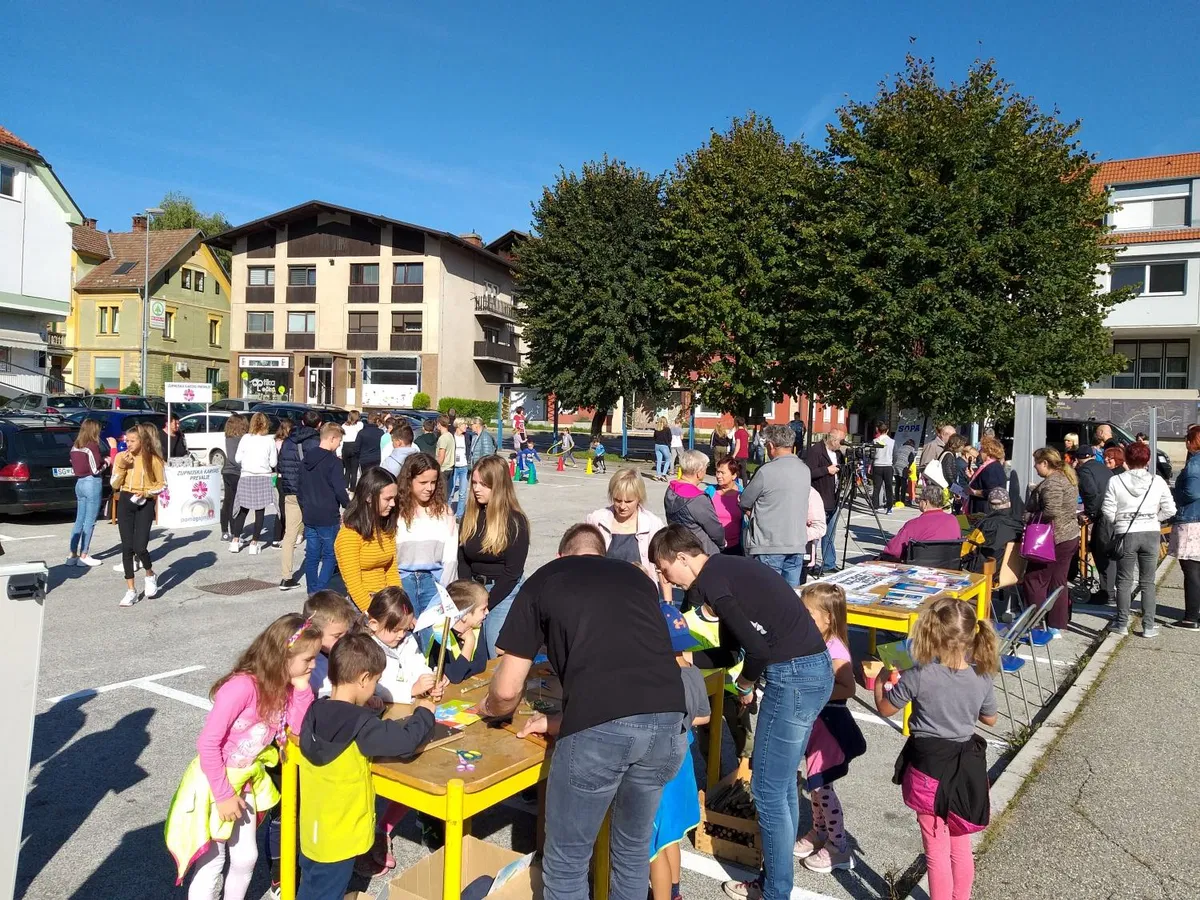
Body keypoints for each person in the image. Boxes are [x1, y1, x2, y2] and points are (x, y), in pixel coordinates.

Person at [477, 523, 688, 900]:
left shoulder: (545, 578)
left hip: (600, 730)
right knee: (631, 854)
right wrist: (558, 721)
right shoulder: (636, 578)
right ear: (601, 555)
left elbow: (507, 691)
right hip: (668, 720)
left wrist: (489, 707)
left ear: (561, 556)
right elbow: (630, 674)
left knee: (566, 864)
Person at [649, 525, 832, 900]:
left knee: (767, 791)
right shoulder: (724, 572)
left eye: (664, 569)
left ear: (682, 558)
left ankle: (776, 891)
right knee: (778, 789)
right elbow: (733, 652)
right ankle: (773, 883)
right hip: (809, 670)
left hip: (793, 674)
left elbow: (758, 653)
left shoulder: (714, 581)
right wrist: (682, 659)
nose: (665, 578)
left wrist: (746, 685)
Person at [165, 614, 319, 900]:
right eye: (308, 659)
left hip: (246, 779)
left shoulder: (284, 686)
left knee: (246, 857)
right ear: (283, 656)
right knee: (212, 861)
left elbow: (297, 727)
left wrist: (301, 689)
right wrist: (223, 796)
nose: (314, 664)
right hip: (214, 782)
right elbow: (208, 744)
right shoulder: (241, 688)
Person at [874, 597, 998, 900]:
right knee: (960, 844)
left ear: (932, 634)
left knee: (936, 849)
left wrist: (880, 680)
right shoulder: (981, 675)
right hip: (965, 767)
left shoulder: (919, 674)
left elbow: (886, 709)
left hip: (928, 768)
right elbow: (991, 719)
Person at [297, 632, 435, 900]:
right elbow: (405, 743)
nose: (374, 688)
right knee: (327, 893)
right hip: (341, 838)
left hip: (314, 831)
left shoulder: (314, 712)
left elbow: (344, 721)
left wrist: (373, 712)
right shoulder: (361, 726)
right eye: (374, 681)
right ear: (362, 679)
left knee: (311, 887)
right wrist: (424, 712)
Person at [795, 583, 866, 874]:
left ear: (828, 619)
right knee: (815, 785)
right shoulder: (816, 641)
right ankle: (819, 832)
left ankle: (839, 847)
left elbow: (847, 688)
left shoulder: (836, 649)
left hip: (830, 727)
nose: (803, 619)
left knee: (823, 787)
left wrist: (813, 691)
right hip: (817, 724)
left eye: (808, 614)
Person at [649, 603, 711, 900]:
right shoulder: (693, 672)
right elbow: (704, 716)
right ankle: (675, 892)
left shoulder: (657, 678)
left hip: (657, 762)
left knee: (652, 848)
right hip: (683, 755)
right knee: (670, 836)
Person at [458, 455, 530, 657]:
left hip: (504, 590)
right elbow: (462, 558)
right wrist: (469, 595)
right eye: (474, 483)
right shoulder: (470, 516)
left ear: (498, 486)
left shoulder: (515, 521)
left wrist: (486, 602)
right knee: (470, 650)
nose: (476, 489)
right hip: (474, 589)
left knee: (493, 648)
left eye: (484, 484)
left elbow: (512, 571)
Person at [1102, 440, 1175, 637]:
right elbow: (1170, 509)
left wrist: (1120, 522)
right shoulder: (1157, 481)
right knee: (1147, 581)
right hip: (1151, 532)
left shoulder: (1116, 481)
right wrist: (1154, 519)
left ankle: (1122, 623)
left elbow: (1108, 509)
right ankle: (1149, 626)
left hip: (1126, 532)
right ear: (1148, 460)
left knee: (1124, 580)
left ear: (1126, 458)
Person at [740, 424, 812, 586]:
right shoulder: (804, 469)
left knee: (767, 595)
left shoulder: (767, 471)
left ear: (771, 446)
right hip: (796, 542)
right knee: (790, 596)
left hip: (769, 543)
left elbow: (745, 500)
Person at [394, 453, 459, 629]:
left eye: (433, 482)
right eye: (423, 483)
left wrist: (448, 592)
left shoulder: (444, 512)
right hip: (401, 582)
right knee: (405, 637)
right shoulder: (395, 512)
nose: (429, 488)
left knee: (430, 639)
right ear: (408, 481)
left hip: (434, 583)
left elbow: (450, 557)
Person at [1024, 448, 1082, 634]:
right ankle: (1056, 625)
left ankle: (1037, 621)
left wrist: (1029, 516)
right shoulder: (1068, 477)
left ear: (1045, 463)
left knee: (1035, 579)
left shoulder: (1052, 483)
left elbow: (1051, 510)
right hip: (1069, 536)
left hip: (1051, 539)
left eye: (1036, 463)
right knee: (1059, 582)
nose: (1035, 466)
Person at [585, 467, 667, 585]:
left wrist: (667, 601)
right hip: (602, 592)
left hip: (641, 594)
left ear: (639, 498)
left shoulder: (653, 524)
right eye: (618, 500)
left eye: (629, 501)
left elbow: (662, 567)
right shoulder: (596, 520)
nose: (622, 506)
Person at [334, 466, 400, 612]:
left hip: (387, 601)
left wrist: (399, 603)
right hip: (364, 607)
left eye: (394, 498)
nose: (393, 504)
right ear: (369, 497)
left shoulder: (385, 526)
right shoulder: (349, 534)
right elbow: (354, 584)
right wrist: (375, 614)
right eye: (388, 499)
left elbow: (391, 570)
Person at [365, 586, 446, 705]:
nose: (401, 635)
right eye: (395, 630)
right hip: (389, 709)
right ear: (374, 625)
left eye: (405, 629)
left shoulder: (407, 639)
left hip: (413, 704)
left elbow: (418, 664)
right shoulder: (365, 649)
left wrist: (429, 682)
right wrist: (411, 690)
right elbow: (374, 688)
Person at [112, 424, 164, 607]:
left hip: (145, 502)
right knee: (127, 547)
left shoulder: (154, 460)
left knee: (140, 547)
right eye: (127, 441)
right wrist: (122, 467)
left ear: (142, 441)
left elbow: (162, 485)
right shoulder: (121, 457)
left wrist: (148, 492)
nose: (128, 444)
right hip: (126, 499)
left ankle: (150, 574)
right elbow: (114, 484)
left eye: (132, 441)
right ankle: (131, 590)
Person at [299, 424, 349, 594]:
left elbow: (300, 488)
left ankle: (312, 591)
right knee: (329, 555)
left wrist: (304, 506)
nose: (339, 445)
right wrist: (349, 506)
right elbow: (339, 490)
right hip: (328, 515)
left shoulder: (306, 459)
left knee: (312, 555)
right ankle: (320, 592)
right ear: (332, 438)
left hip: (309, 514)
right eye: (339, 441)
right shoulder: (334, 462)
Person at [278, 412, 321, 591]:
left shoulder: (288, 441)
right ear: (319, 424)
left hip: (290, 491)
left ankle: (286, 576)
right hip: (310, 492)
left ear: (301, 422)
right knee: (317, 530)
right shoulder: (316, 442)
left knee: (289, 534)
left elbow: (281, 464)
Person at [230, 413, 278, 556]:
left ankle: (235, 539)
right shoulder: (269, 440)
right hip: (262, 477)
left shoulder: (245, 438)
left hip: (246, 476)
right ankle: (254, 542)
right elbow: (273, 463)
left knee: (242, 509)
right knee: (259, 510)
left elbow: (237, 458)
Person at [1077, 435, 1116, 605]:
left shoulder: (1084, 471)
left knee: (1101, 552)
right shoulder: (1103, 468)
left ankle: (1107, 593)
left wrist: (1090, 514)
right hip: (1113, 513)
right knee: (1109, 552)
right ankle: (1109, 590)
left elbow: (1091, 493)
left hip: (1102, 516)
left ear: (1079, 459)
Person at [427, 580, 490, 683]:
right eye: (483, 609)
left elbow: (481, 664)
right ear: (464, 615)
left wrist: (463, 671)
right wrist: (470, 641)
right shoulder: (442, 636)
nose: (487, 612)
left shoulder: (476, 627)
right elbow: (455, 676)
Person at [665, 449, 726, 555]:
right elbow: (715, 529)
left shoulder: (671, 490)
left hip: (678, 545)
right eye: (705, 468)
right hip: (701, 551)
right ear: (699, 473)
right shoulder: (698, 499)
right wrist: (721, 544)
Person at [880, 484, 962, 561]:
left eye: (920, 499)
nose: (918, 502)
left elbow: (893, 551)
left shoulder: (913, 524)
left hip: (919, 569)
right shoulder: (953, 520)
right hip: (948, 567)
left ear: (926, 503)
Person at [1170, 424, 1200, 630]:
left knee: (1191, 569)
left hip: (1192, 520)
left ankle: (1191, 617)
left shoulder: (1194, 464)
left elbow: (1192, 492)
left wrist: (1175, 497)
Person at [66, 418, 107, 568]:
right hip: (92, 482)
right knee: (90, 521)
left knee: (79, 519)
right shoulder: (92, 446)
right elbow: (95, 469)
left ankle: (72, 554)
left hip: (79, 482)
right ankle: (84, 554)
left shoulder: (75, 446)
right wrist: (107, 462)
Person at [805, 426, 846, 574]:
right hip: (819, 497)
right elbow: (808, 472)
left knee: (830, 533)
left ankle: (829, 563)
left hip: (833, 498)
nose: (841, 444)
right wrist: (826, 470)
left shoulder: (838, 454)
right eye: (840, 441)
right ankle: (810, 563)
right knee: (816, 532)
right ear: (832, 440)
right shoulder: (816, 451)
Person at [303, 589, 357, 698]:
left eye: (346, 634)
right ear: (314, 631)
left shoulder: (348, 652)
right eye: (337, 636)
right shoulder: (307, 665)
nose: (343, 640)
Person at [218, 415, 247, 543]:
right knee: (234, 504)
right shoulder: (239, 439)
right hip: (235, 472)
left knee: (228, 502)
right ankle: (235, 532)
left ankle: (225, 531)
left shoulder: (228, 437)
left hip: (227, 471)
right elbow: (234, 458)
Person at [966, 436, 1007, 516]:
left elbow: (993, 492)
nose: (980, 452)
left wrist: (974, 492)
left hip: (984, 511)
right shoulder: (991, 465)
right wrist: (972, 477)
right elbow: (983, 483)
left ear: (987, 452)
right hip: (982, 509)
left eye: (981, 449)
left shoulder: (992, 468)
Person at [712, 457, 744, 556]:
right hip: (713, 547)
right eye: (717, 472)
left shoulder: (743, 494)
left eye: (722, 473)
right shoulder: (709, 493)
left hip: (736, 547)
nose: (718, 476)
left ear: (734, 475)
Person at [272, 419, 293, 545]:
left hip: (277, 475)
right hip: (284, 475)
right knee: (284, 507)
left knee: (280, 506)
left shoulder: (275, 442)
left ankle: (278, 535)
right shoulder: (286, 443)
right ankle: (281, 535)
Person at [871, 423, 895, 513]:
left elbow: (872, 454)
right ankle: (889, 508)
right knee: (888, 487)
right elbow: (894, 454)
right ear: (887, 430)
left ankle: (875, 507)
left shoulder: (875, 441)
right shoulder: (892, 442)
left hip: (877, 465)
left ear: (878, 430)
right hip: (888, 465)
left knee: (876, 487)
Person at [449, 420, 470, 518]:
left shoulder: (467, 436)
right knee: (451, 492)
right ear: (458, 425)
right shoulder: (452, 436)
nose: (466, 426)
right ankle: (448, 514)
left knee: (463, 492)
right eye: (464, 424)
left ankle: (460, 515)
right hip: (454, 466)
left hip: (464, 466)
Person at [341, 410, 363, 490]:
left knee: (347, 469)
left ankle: (345, 486)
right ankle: (352, 488)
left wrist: (339, 452)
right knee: (354, 470)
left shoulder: (344, 425)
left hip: (345, 446)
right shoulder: (359, 425)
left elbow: (342, 438)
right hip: (354, 446)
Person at [434, 415, 455, 496]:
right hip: (450, 467)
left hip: (443, 468)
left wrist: (437, 468)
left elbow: (441, 455)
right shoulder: (450, 435)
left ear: (439, 424)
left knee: (441, 493)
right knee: (446, 492)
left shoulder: (442, 438)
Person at [894, 439, 917, 504]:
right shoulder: (911, 449)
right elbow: (911, 459)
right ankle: (902, 500)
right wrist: (908, 467)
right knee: (903, 484)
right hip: (903, 467)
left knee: (897, 484)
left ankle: (897, 500)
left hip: (895, 466)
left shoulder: (901, 447)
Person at [653, 416, 672, 481]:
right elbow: (670, 438)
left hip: (657, 445)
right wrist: (668, 443)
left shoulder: (656, 429)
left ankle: (658, 475)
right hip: (664, 446)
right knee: (668, 459)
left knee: (659, 461)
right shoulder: (667, 429)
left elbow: (654, 438)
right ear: (665, 422)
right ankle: (663, 474)